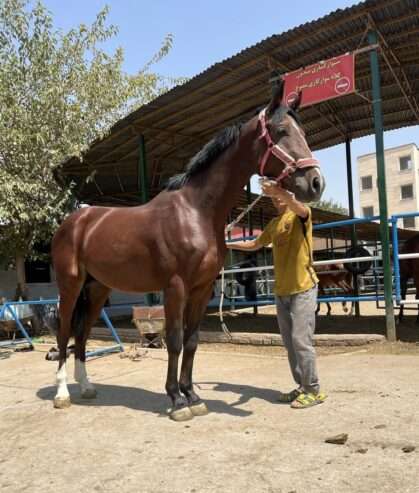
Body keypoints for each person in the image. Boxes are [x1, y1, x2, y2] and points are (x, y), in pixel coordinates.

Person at [226, 181, 326, 409]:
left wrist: (279, 190)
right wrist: (226, 244)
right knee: (290, 343)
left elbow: (296, 204)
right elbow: (253, 244)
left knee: (302, 340)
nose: (277, 199)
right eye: (273, 197)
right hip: (281, 291)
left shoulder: (301, 214)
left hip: (303, 287)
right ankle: (302, 386)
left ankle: (313, 390)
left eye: (281, 195)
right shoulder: (273, 223)